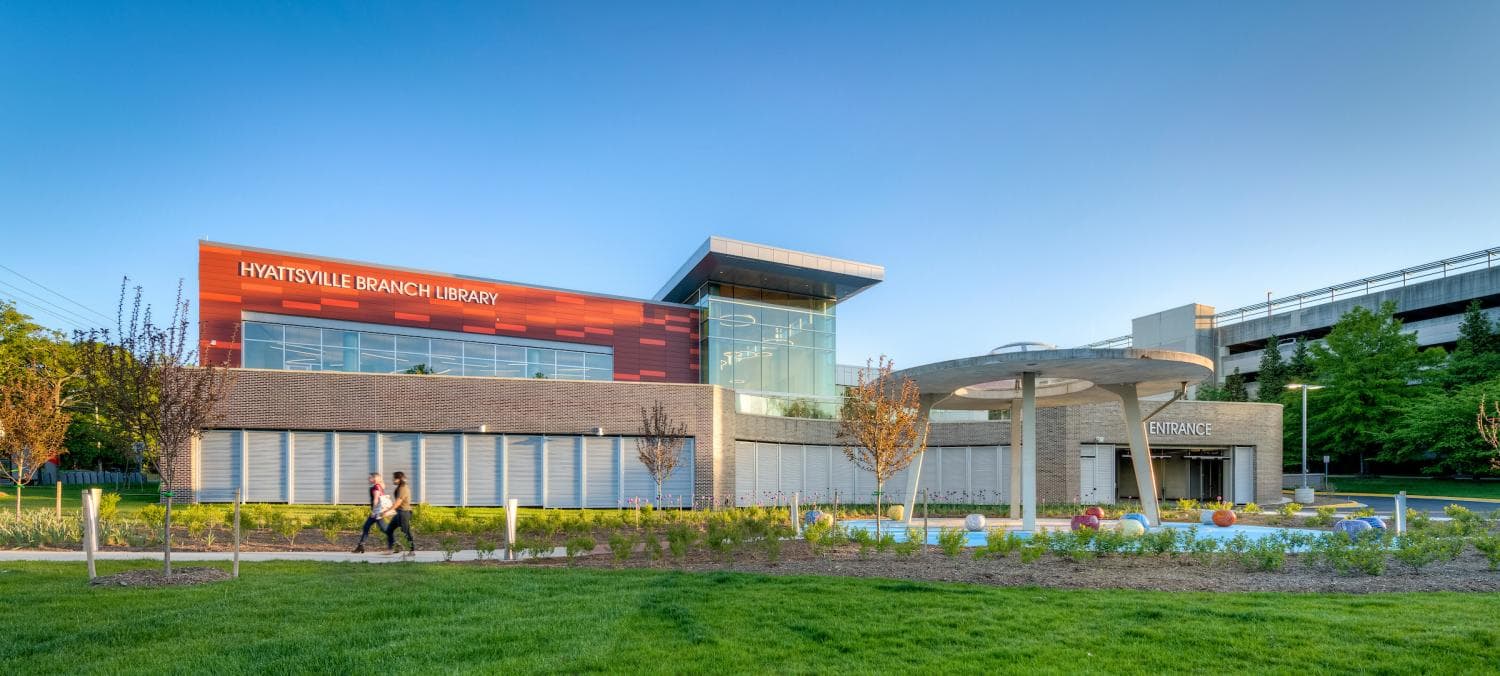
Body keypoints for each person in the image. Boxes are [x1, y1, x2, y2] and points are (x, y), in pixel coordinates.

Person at [352, 472, 390, 554]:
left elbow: (376, 499)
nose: (368, 479)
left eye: (370, 478)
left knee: (385, 529)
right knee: (366, 527)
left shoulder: (376, 487)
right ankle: (360, 546)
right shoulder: (379, 486)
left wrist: (374, 511)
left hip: (377, 512)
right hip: (378, 511)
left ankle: (395, 544)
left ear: (374, 478)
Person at [385, 470, 415, 554]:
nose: (393, 480)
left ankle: (412, 550)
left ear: (399, 479)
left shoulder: (403, 488)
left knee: (405, 531)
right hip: (399, 512)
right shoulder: (400, 487)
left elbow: (398, 502)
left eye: (394, 479)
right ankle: (393, 548)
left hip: (404, 513)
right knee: (389, 530)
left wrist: (388, 511)